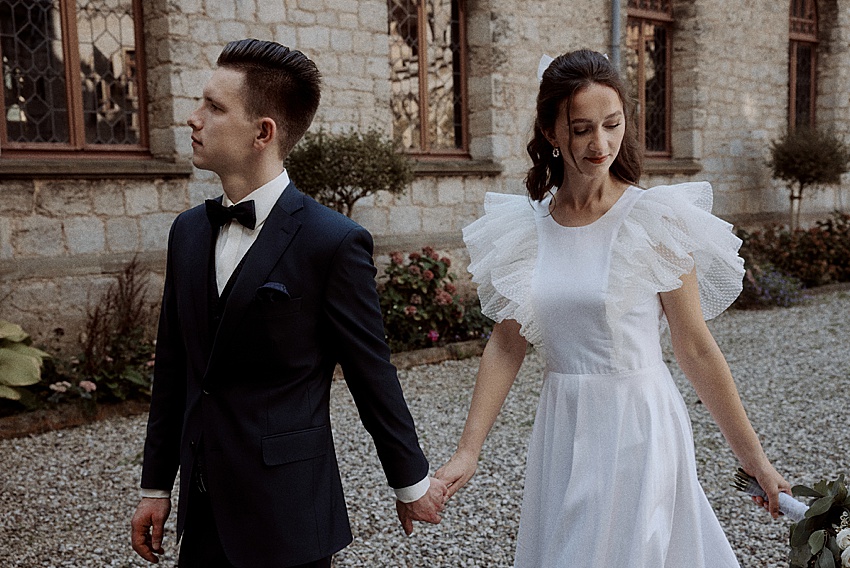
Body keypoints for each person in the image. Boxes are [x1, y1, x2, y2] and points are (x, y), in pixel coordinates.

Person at [435, 49, 790, 567]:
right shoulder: (525, 230)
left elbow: (694, 347)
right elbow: (507, 344)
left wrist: (754, 461)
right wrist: (469, 449)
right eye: (581, 129)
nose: (599, 144)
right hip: (562, 426)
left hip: (638, 427)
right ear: (552, 132)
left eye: (611, 124)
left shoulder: (656, 220)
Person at [130, 39, 446, 568]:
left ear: (263, 132)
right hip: (201, 513)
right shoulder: (186, 233)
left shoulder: (333, 241)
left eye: (213, 106)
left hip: (289, 516)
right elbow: (175, 369)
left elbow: (371, 371)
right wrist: (156, 485)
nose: (193, 118)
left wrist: (410, 481)